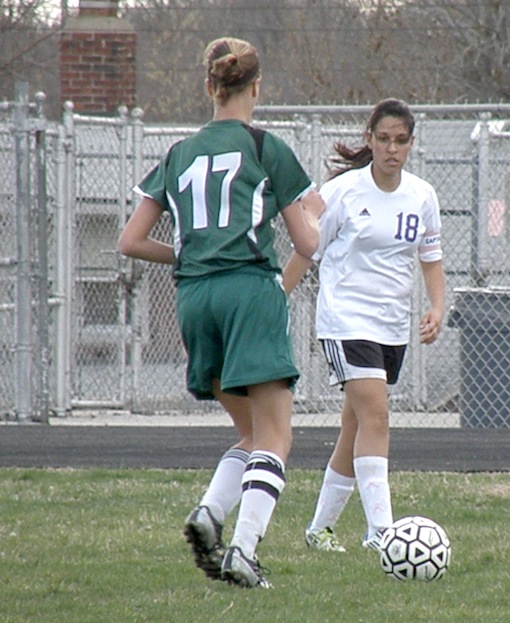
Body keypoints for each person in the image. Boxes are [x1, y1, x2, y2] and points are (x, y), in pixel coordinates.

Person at [117, 36, 325, 588]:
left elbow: (131, 240)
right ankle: (244, 551)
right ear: (255, 88)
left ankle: (210, 514)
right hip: (247, 290)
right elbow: (306, 242)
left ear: (209, 86)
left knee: (252, 434)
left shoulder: (178, 151)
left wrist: (186, 253)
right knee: (277, 437)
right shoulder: (264, 146)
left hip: (194, 299)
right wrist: (325, 227)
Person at [283, 98, 445, 552]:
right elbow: (305, 250)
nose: (392, 149)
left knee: (357, 426)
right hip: (345, 319)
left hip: (391, 326)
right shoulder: (343, 192)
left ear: (411, 144)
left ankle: (318, 530)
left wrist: (436, 306)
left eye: (401, 141)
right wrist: (276, 300)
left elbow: (430, 260)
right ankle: (383, 535)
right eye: (384, 139)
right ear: (369, 139)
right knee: (377, 415)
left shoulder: (422, 196)